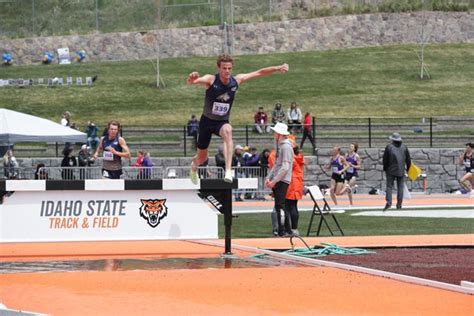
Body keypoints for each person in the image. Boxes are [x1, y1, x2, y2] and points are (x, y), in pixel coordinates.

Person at [187, 54, 289, 184]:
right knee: (202, 158)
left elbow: (259, 72)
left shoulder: (236, 81)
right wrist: (192, 78)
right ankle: (194, 166)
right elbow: (193, 82)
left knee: (228, 131)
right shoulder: (211, 80)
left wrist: (277, 68)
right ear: (219, 68)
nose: (227, 71)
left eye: (229, 68)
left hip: (222, 122)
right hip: (206, 122)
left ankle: (228, 171)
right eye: (224, 68)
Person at [265, 122, 294, 237]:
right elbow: (277, 164)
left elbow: (284, 167)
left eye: (275, 132)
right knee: (280, 205)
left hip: (283, 179)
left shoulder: (285, 147)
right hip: (280, 179)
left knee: (280, 205)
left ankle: (283, 230)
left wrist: (274, 180)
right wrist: (269, 178)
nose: (274, 134)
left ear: (279, 134)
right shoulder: (282, 146)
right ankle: (286, 230)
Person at [383, 132, 411, 210]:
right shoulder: (404, 147)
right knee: (400, 187)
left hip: (390, 170)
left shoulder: (389, 147)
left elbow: (385, 159)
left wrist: (385, 168)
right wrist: (408, 169)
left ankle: (389, 202)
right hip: (401, 169)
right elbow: (408, 160)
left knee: (389, 186)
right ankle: (399, 204)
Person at [284, 145, 305, 236]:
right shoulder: (299, 158)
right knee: (294, 206)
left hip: (291, 183)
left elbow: (285, 169)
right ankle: (294, 228)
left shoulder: (292, 159)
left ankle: (289, 229)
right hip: (297, 183)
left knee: (288, 207)